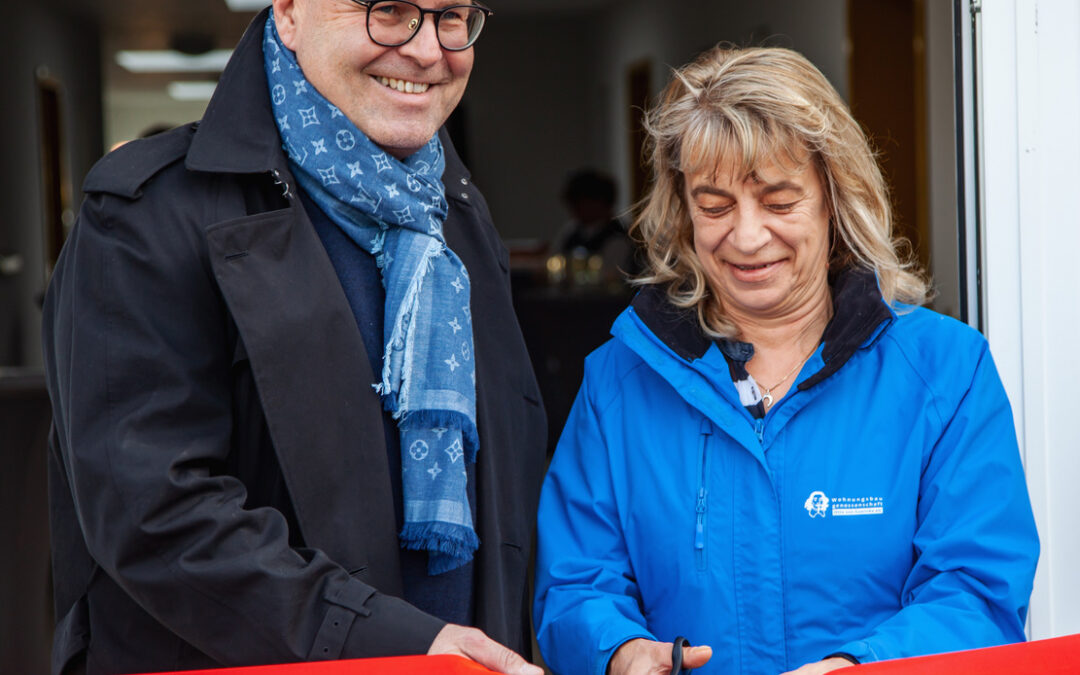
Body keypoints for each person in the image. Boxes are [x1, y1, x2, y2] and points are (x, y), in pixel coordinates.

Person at [42, 2, 546, 674]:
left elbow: (509, 486)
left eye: (450, 15)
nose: (427, 50)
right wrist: (391, 643)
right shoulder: (144, 216)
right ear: (287, 13)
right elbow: (154, 515)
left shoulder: (455, 217)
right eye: (388, 10)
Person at [533, 45, 1038, 675]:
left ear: (834, 197)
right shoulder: (618, 382)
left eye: (778, 201)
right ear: (683, 212)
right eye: (715, 205)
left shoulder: (947, 372)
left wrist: (863, 666)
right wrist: (619, 651)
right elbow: (574, 586)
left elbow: (977, 591)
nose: (746, 237)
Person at [548, 168, 637, 286]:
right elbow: (552, 260)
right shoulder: (571, 231)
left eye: (579, 203)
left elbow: (609, 277)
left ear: (600, 202)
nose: (574, 210)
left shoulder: (618, 236)